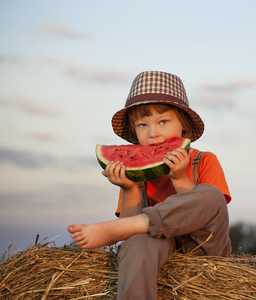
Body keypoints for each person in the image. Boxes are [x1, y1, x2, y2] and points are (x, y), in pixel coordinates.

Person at [67, 70, 232, 299]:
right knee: (136, 244)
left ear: (183, 125)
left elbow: (209, 216)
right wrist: (129, 187)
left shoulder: (204, 160)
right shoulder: (136, 171)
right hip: (159, 249)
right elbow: (131, 227)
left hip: (204, 250)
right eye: (142, 125)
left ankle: (113, 231)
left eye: (163, 121)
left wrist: (179, 178)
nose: (153, 133)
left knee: (211, 195)